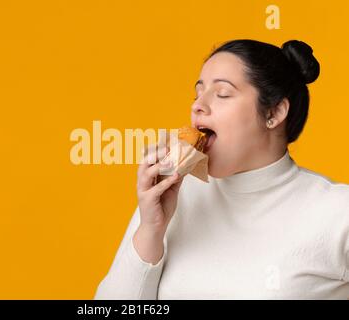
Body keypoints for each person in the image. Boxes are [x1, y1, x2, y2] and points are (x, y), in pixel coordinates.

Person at [94, 39, 349, 299]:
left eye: (223, 94)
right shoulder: (172, 196)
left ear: (274, 112)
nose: (197, 106)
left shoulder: (337, 213)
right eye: (197, 94)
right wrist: (150, 229)